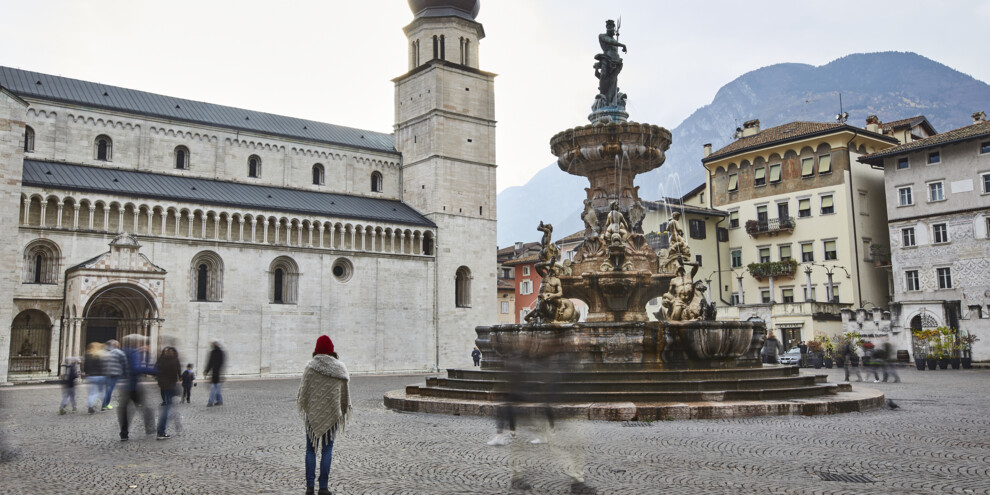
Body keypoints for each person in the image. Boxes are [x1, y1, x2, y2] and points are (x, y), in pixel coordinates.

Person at [297, 335, 351, 495]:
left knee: (310, 450)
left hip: (312, 416)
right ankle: (323, 487)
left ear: (316, 349)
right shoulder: (340, 369)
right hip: (332, 414)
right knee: (327, 450)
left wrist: (312, 407)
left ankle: (309, 488)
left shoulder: (310, 367)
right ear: (331, 350)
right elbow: (344, 396)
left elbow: (303, 394)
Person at [117, 334, 157, 441]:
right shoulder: (134, 352)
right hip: (133, 386)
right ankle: (150, 428)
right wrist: (156, 372)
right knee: (145, 407)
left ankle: (124, 433)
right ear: (136, 343)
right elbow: (136, 368)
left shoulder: (122, 351)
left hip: (123, 385)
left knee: (124, 410)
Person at [155, 347, 181, 440]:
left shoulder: (161, 360)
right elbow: (177, 372)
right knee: (168, 409)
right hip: (171, 386)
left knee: (168, 405)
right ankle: (161, 431)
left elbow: (156, 370)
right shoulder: (174, 361)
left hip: (163, 386)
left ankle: (162, 429)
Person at [103, 340, 127, 410]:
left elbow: (104, 362)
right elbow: (124, 363)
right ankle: (105, 404)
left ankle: (105, 404)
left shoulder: (108, 353)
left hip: (107, 372)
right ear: (117, 345)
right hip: (116, 373)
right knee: (110, 388)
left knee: (108, 388)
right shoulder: (120, 352)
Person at [83, 342, 107, 414]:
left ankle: (90, 407)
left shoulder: (88, 355)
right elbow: (104, 366)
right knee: (101, 392)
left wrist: (87, 372)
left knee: (91, 393)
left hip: (91, 376)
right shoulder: (101, 355)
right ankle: (103, 406)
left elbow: (85, 366)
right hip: (101, 376)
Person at [204, 340, 225, 407]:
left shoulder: (220, 353)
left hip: (217, 374)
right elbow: (210, 363)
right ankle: (219, 401)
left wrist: (207, 371)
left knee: (214, 389)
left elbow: (221, 364)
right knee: (216, 389)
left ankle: (211, 402)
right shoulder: (213, 352)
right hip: (215, 374)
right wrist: (206, 371)